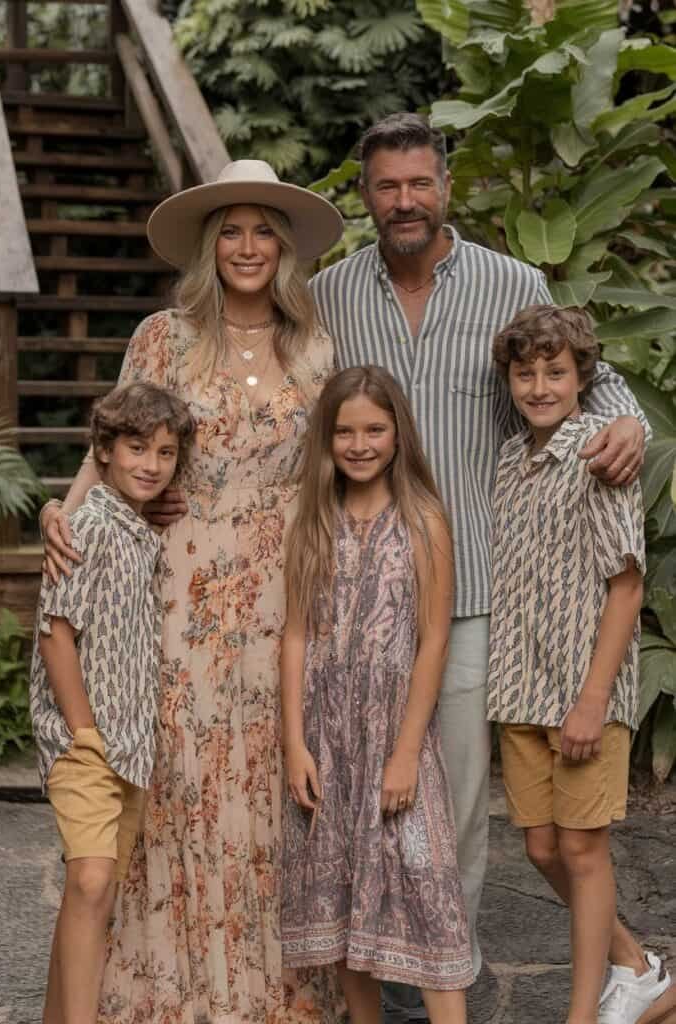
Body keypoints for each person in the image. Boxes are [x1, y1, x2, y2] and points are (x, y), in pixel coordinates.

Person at [310, 113, 650, 1006]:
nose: (404, 201)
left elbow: (594, 377)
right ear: (364, 195)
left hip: (475, 598)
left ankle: (436, 989)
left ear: (447, 187)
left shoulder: (511, 281)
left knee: (450, 809)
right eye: (386, 187)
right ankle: (371, 975)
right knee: (355, 793)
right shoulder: (329, 295)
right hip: (361, 593)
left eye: (419, 182)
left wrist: (628, 424)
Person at [38, 160, 345, 1024]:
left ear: (283, 249)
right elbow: (112, 437)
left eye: (262, 232)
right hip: (170, 590)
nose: (247, 247)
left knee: (262, 782)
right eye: (231, 231)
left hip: (280, 594)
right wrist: (66, 518)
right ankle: (158, 987)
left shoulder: (317, 346)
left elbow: (340, 464)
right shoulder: (162, 338)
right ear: (211, 246)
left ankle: (264, 992)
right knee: (171, 777)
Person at [488, 305, 675, 1024]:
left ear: (581, 379)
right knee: (540, 849)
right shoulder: (510, 460)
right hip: (520, 688)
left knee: (582, 850)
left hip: (579, 689)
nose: (539, 386)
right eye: (525, 372)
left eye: (555, 372)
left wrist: (592, 700)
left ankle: (580, 1015)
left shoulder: (600, 455)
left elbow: (625, 586)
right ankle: (637, 967)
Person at [281, 365, 474, 1024]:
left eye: (373, 429)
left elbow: (432, 642)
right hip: (327, 740)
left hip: (395, 736)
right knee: (340, 909)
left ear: (397, 434)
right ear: (326, 439)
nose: (359, 444)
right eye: (344, 431)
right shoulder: (314, 520)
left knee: (425, 901)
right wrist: (293, 745)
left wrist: (403, 753)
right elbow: (295, 636)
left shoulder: (423, 520)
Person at [30, 382, 195, 1024]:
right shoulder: (88, 527)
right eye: (135, 448)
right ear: (102, 450)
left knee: (90, 893)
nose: (150, 465)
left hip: (130, 746)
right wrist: (83, 734)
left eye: (163, 452)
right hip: (87, 740)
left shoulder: (140, 531)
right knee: (93, 880)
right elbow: (55, 634)